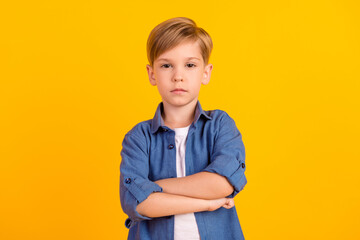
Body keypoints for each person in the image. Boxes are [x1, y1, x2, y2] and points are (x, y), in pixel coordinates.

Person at [119, 17, 247, 240]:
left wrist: (156, 186)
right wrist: (206, 205)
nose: (178, 76)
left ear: (206, 72)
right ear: (152, 74)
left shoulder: (220, 125)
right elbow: (140, 202)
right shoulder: (137, 138)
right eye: (166, 65)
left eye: (190, 65)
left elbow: (221, 183)